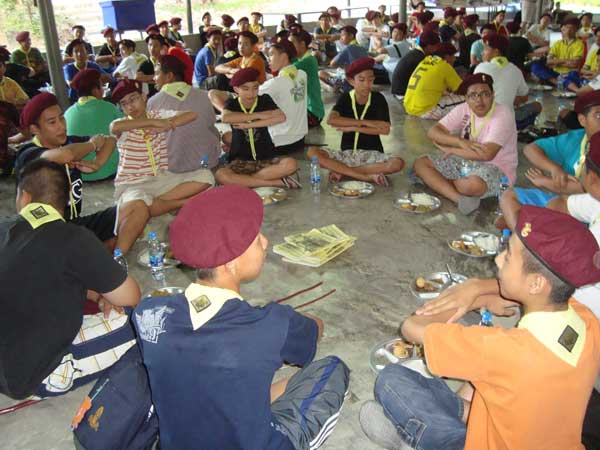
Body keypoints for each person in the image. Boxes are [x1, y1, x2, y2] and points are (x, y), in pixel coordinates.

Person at [361, 205, 600, 450]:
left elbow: (412, 327)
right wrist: (479, 291)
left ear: (536, 284)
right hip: (536, 434)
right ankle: (443, 423)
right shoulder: (587, 321)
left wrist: (470, 298)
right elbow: (531, 298)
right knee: (486, 386)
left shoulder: (500, 349)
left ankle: (417, 439)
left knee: (392, 380)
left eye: (508, 256)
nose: (498, 259)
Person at [134, 185, 349, 450]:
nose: (265, 242)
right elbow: (314, 332)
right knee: (332, 369)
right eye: (256, 239)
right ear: (230, 263)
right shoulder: (271, 325)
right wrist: (291, 319)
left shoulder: (148, 313)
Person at [0, 158, 141, 400]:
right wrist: (105, 293)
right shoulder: (74, 238)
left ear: (24, 198)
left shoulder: (4, 230)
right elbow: (131, 297)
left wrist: (96, 294)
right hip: (31, 376)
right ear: (65, 202)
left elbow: (33, 277)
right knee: (142, 321)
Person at [15, 93, 141, 254]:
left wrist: (96, 164)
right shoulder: (28, 153)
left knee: (138, 207)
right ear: (34, 129)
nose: (61, 126)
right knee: (110, 239)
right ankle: (95, 254)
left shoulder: (69, 141)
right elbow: (66, 155)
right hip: (46, 233)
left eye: (62, 118)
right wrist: (92, 145)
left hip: (75, 225)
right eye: (52, 122)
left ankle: (113, 258)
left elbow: (109, 140)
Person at [110, 79, 213, 225]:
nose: (130, 106)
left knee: (206, 176)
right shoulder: (124, 125)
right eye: (124, 103)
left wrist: (169, 124)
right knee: (138, 201)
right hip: (133, 184)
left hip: (161, 179)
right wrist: (153, 123)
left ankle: (156, 205)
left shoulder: (157, 115)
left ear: (143, 96)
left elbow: (192, 114)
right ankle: (181, 203)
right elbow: (114, 127)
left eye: (133, 99)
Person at [414, 73, 518, 215]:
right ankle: (459, 199)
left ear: (493, 95)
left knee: (470, 186)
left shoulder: (503, 113)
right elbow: (433, 132)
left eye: (485, 94)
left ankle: (435, 181)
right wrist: (459, 141)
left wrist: (453, 150)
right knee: (421, 163)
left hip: (496, 167)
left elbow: (487, 154)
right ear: (466, 98)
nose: (479, 100)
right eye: (473, 95)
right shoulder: (464, 108)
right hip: (466, 161)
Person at [500, 90, 600, 228]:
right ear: (582, 120)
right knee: (509, 198)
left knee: (521, 219)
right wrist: (554, 168)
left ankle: (529, 234)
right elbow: (530, 149)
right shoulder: (577, 138)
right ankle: (527, 235)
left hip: (590, 210)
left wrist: (546, 182)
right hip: (568, 203)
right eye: (598, 115)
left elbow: (588, 188)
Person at [308, 58, 403, 185]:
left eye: (371, 79)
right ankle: (363, 176)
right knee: (312, 153)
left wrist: (353, 128)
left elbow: (385, 129)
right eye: (361, 80)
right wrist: (367, 123)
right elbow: (332, 120)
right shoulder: (346, 97)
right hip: (347, 155)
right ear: (351, 81)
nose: (367, 84)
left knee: (397, 163)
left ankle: (343, 171)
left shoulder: (378, 98)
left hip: (372, 156)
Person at [216, 68, 300, 189]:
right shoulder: (232, 103)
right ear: (236, 89)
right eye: (245, 89)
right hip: (240, 161)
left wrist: (248, 125)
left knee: (291, 164)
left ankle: (246, 181)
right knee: (220, 175)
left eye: (255, 88)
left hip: (266, 159)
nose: (251, 93)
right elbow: (226, 118)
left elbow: (281, 117)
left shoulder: (264, 99)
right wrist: (260, 115)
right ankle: (275, 182)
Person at [148, 55, 221, 171]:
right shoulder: (204, 95)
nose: (154, 78)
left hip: (174, 168)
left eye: (157, 73)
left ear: (169, 76)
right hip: (206, 163)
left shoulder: (153, 102)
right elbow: (211, 126)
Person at [64, 69, 123, 181]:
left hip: (79, 175)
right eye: (101, 86)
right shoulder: (109, 107)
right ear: (95, 90)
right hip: (110, 171)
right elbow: (126, 128)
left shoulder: (68, 113)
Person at [475, 33, 542, 130]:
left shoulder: (480, 68)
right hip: (506, 121)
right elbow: (525, 97)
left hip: (482, 121)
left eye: (485, 49)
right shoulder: (515, 70)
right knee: (537, 105)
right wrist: (512, 98)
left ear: (496, 52)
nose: (482, 53)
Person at [259, 41, 307, 155]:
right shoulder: (302, 74)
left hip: (279, 143)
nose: (268, 59)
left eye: (271, 54)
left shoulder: (276, 83)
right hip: (300, 139)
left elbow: (249, 96)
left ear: (284, 57)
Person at [403, 42, 464, 120]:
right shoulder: (444, 65)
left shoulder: (425, 61)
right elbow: (462, 89)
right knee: (469, 99)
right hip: (425, 111)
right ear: (447, 56)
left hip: (409, 107)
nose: (454, 59)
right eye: (453, 56)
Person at [209, 31, 266, 111]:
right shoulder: (241, 59)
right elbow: (217, 68)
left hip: (253, 96)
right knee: (212, 93)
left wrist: (231, 74)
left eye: (245, 44)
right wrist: (231, 70)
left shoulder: (256, 61)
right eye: (239, 43)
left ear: (253, 46)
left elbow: (242, 80)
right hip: (240, 94)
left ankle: (230, 114)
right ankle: (226, 113)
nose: (241, 47)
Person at [531, 17, 584, 87]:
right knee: (535, 66)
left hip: (569, 73)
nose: (568, 30)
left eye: (572, 28)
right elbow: (548, 61)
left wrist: (556, 62)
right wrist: (565, 61)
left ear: (576, 30)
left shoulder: (579, 44)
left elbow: (574, 65)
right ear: (563, 28)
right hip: (556, 72)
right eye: (567, 27)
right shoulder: (557, 43)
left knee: (573, 76)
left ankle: (557, 82)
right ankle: (558, 83)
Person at [319, 26, 370, 93]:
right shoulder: (363, 49)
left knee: (321, 73)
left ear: (351, 36)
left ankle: (333, 88)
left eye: (343, 35)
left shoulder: (348, 48)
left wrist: (342, 65)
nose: (341, 38)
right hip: (364, 83)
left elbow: (332, 63)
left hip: (350, 85)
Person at [391, 30, 440, 100]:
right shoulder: (420, 58)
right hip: (402, 93)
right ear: (429, 46)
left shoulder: (416, 53)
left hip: (399, 89)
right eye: (435, 47)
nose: (436, 50)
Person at [291, 30, 325, 128]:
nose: (289, 47)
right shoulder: (298, 59)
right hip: (307, 111)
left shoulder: (308, 61)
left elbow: (284, 71)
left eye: (292, 43)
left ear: (302, 44)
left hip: (312, 113)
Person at [563, 27, 600, 95]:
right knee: (570, 75)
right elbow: (583, 70)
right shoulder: (594, 52)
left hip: (595, 80)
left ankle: (580, 91)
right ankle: (579, 90)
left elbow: (597, 75)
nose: (598, 39)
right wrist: (592, 73)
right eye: (597, 36)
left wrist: (594, 76)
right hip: (589, 78)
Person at [137, 33, 168, 97]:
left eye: (156, 45)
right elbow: (138, 77)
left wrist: (148, 78)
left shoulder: (167, 61)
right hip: (152, 96)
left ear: (162, 47)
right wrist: (160, 78)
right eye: (150, 45)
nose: (152, 48)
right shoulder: (145, 64)